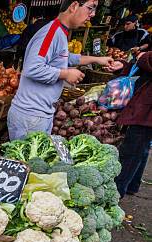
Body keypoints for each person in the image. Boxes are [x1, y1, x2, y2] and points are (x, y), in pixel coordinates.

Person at [7, 0, 116, 141]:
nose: (93, 14)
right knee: (24, 162)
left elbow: (64, 57)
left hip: (39, 114)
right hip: (30, 116)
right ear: (74, 6)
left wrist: (96, 60)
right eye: (90, 8)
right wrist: (66, 74)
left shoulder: (60, 32)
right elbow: (32, 68)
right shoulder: (51, 33)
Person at [111, 51, 151, 198]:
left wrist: (144, 56)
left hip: (146, 109)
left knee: (133, 148)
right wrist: (125, 65)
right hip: (144, 103)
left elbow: (147, 60)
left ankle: (117, 190)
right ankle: (131, 185)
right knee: (141, 147)